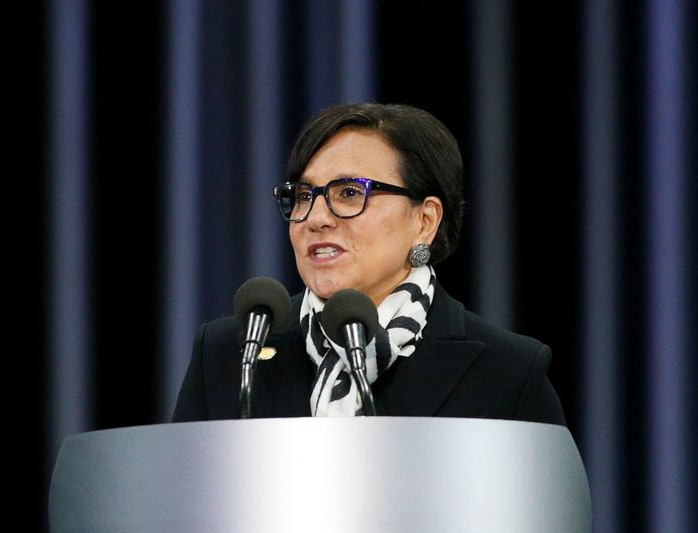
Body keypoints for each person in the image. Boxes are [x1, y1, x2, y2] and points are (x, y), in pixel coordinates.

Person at [171, 102, 566, 425]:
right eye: (305, 195)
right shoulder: (229, 356)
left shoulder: (506, 372)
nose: (316, 217)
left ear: (424, 221)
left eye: (347, 192)